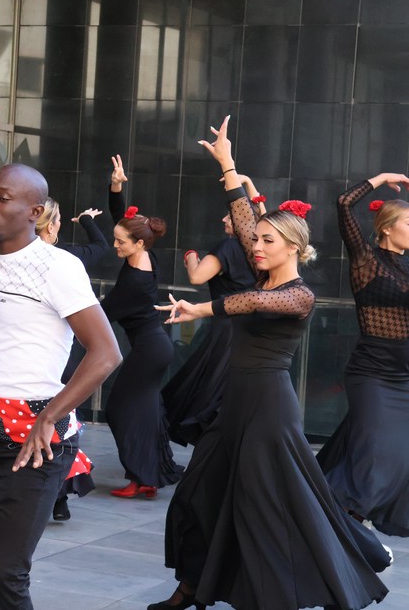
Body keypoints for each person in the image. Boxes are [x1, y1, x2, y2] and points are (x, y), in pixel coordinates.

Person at [151, 116, 390, 610]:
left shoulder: (297, 295)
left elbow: (253, 306)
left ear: (296, 248)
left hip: (268, 412)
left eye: (268, 242)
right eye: (255, 241)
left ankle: (287, 589)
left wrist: (201, 308)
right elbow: (243, 220)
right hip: (232, 409)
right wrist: (228, 165)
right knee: (196, 497)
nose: (256, 247)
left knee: (269, 509)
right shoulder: (261, 274)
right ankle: (192, 585)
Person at [0, 92, 122, 610]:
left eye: (2, 199)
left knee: (9, 574)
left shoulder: (59, 268)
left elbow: (105, 353)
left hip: (39, 439)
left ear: (34, 212)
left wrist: (50, 418)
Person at [316, 172, 409, 537]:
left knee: (393, 456)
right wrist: (380, 178)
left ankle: (322, 509)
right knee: (377, 455)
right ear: (387, 227)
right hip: (372, 373)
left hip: (404, 376)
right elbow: (343, 204)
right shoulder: (366, 261)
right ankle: (345, 522)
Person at [102, 155, 182, 499]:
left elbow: (103, 313)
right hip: (155, 346)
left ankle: (140, 474)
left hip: (150, 350)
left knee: (119, 408)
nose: (115, 244)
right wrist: (117, 185)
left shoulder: (133, 282)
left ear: (138, 244)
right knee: (145, 411)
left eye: (120, 242)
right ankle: (148, 475)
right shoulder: (146, 253)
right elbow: (124, 221)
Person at [161, 178, 259, 447]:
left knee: (206, 387)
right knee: (224, 385)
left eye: (230, 215)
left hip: (226, 326)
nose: (224, 219)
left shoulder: (228, 247)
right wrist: (249, 183)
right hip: (250, 328)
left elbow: (196, 277)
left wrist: (191, 255)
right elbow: (260, 209)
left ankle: (209, 437)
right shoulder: (260, 252)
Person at [35, 199, 108, 521]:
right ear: (52, 225)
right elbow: (101, 246)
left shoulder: (8, 261)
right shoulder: (67, 259)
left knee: (50, 426)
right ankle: (57, 496)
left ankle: (55, 496)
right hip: (55, 360)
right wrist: (88, 221)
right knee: (56, 427)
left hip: (31, 362)